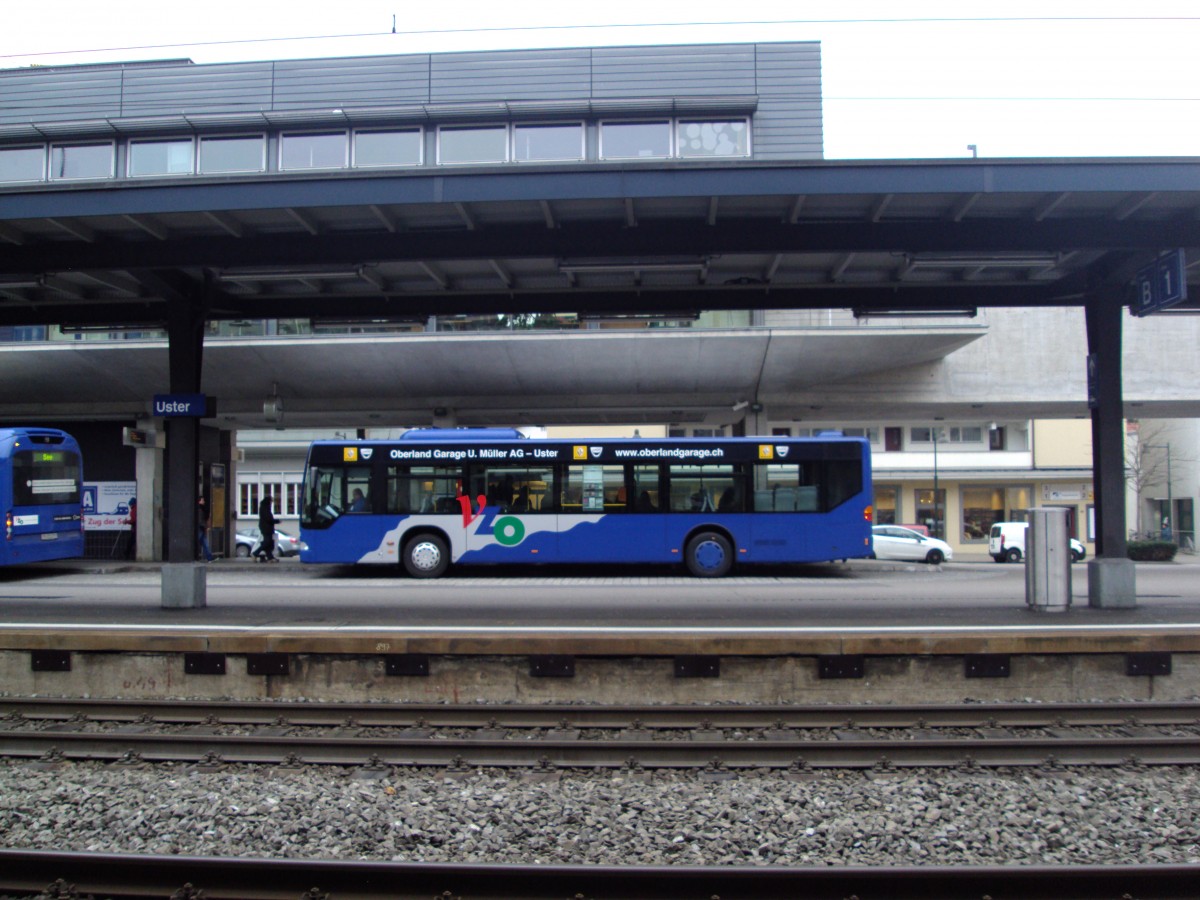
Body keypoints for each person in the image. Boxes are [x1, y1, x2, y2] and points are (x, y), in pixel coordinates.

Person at [256, 493, 277, 562]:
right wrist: (276, 521)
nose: (271, 503)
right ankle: (255, 553)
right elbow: (268, 519)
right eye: (271, 501)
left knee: (269, 542)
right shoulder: (265, 508)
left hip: (266, 527)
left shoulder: (264, 507)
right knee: (267, 542)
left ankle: (270, 557)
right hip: (266, 527)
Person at [197, 497, 214, 562]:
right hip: (200, 527)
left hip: (202, 527)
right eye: (202, 500)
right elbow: (200, 519)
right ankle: (209, 557)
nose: (203, 501)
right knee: (202, 542)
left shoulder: (203, 509)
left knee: (205, 543)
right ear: (199, 501)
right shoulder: (200, 509)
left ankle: (209, 557)